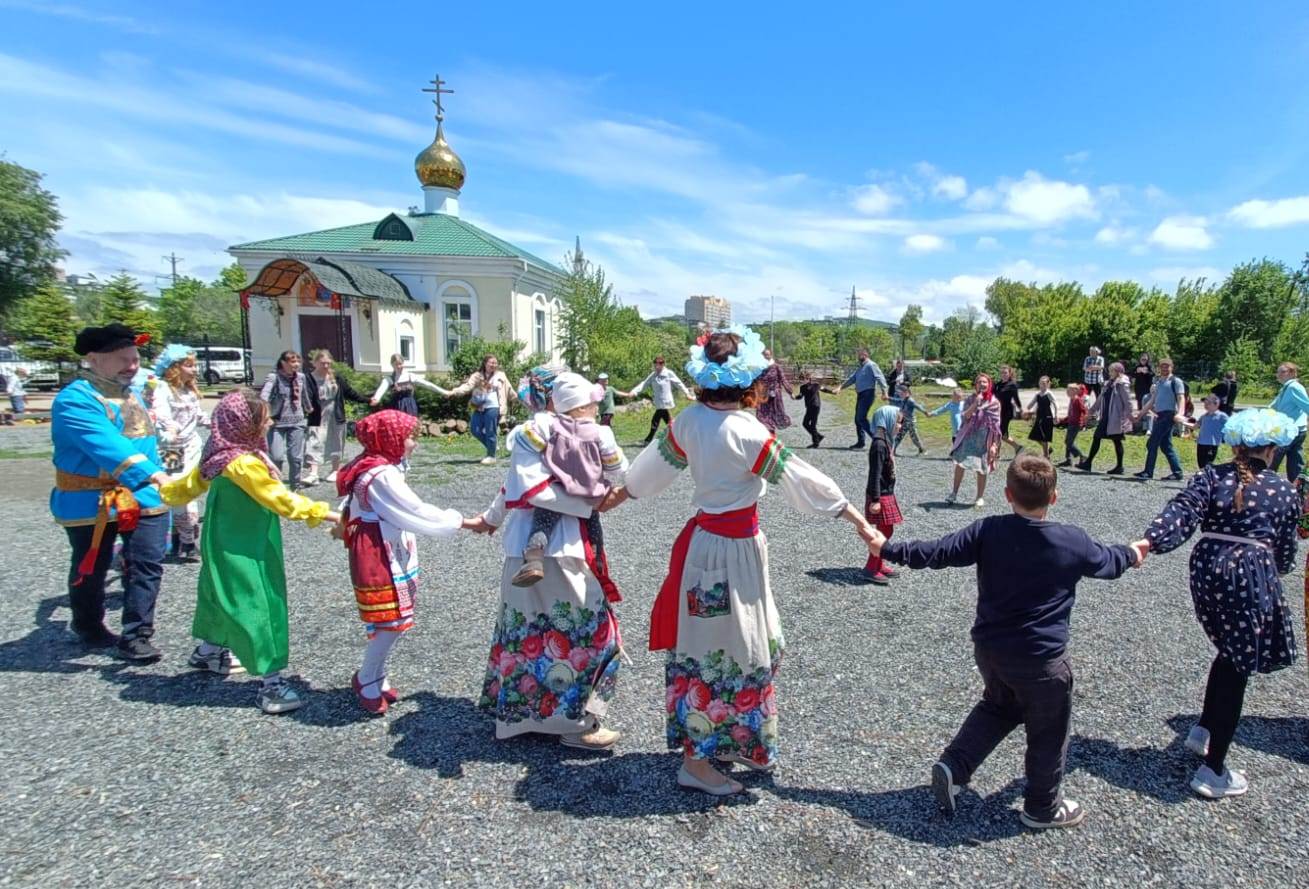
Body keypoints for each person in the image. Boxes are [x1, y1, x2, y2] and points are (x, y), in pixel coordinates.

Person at [613, 327, 877, 796]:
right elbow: (803, 479)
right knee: (738, 643)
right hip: (734, 550)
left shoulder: (689, 421)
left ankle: (728, 739)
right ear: (748, 379)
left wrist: (609, 500)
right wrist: (857, 520)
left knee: (712, 642)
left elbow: (645, 477)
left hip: (707, 548)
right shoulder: (748, 431)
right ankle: (696, 762)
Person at [869, 455, 1143, 829]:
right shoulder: (1072, 540)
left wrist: (887, 548)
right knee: (1049, 732)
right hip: (1043, 661)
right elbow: (1110, 563)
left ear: (1007, 494)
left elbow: (937, 552)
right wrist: (1133, 552)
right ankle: (1042, 809)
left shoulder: (989, 530)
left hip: (992, 651)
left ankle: (955, 765)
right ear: (1055, 497)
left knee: (1000, 705)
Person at [1132, 409, 1299, 798]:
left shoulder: (1212, 476)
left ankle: (1203, 729)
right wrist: (1278, 569)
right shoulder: (1284, 490)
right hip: (1250, 575)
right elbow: (1286, 552)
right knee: (1238, 665)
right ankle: (1213, 770)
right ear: (1272, 449)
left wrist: (1149, 542)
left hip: (1208, 573)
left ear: (1237, 445)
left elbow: (1181, 512)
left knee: (1228, 652)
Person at [466, 364, 627, 752]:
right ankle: (572, 723)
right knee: (581, 630)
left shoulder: (540, 432)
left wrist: (491, 519)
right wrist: (594, 502)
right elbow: (530, 488)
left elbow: (515, 484)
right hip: (560, 549)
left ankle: (528, 717)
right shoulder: (539, 431)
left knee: (532, 633)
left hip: (531, 546)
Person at [159, 388, 339, 712]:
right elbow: (279, 499)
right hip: (244, 546)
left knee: (219, 593)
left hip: (222, 540)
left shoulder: (220, 454)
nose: (269, 423)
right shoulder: (242, 464)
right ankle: (271, 684)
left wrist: (162, 490)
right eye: (263, 418)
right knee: (258, 603)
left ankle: (208, 650)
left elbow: (189, 486)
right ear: (243, 423)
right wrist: (326, 512)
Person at [336, 410, 469, 714]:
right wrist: (460, 521)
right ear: (389, 438)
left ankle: (376, 676)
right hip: (378, 551)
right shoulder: (380, 474)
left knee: (393, 619)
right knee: (391, 622)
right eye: (409, 437)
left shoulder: (376, 464)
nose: (414, 444)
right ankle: (366, 677)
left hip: (385, 546)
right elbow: (415, 509)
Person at [51, 323, 171, 660]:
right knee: (92, 564)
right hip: (91, 498)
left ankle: (137, 634)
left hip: (143, 492)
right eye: (123, 359)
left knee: (147, 563)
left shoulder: (130, 394)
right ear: (93, 359)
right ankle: (88, 626)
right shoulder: (74, 400)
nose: (132, 366)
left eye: (134, 359)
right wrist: (156, 475)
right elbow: (108, 445)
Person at [508, 372, 628, 588]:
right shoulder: (602, 433)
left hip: (558, 488)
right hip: (591, 496)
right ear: (581, 407)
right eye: (593, 404)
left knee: (542, 524)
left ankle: (534, 558)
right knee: (593, 527)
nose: (597, 408)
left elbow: (523, 440)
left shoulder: (550, 427)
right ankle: (597, 559)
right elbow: (616, 465)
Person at [151, 345, 208, 562]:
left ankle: (182, 538)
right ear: (174, 367)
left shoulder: (189, 390)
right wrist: (171, 429)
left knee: (189, 490)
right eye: (189, 365)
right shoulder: (163, 389)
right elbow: (161, 415)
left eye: (195, 365)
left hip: (192, 446)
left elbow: (199, 416)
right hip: (171, 448)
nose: (194, 370)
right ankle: (186, 540)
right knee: (177, 489)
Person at [302, 349, 370, 486]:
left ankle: (335, 470)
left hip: (336, 413)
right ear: (315, 363)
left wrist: (367, 400)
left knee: (336, 440)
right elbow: (305, 396)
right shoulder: (309, 378)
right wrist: (307, 407)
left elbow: (350, 393)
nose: (326, 366)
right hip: (318, 414)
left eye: (328, 363)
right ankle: (313, 473)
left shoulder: (336, 378)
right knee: (314, 440)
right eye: (322, 363)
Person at [437, 354, 515, 465]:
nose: (494, 365)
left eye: (495, 363)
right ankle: (491, 445)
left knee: (490, 432)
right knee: (475, 430)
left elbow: (509, 389)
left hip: (493, 407)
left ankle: (491, 456)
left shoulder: (501, 375)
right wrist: (454, 391)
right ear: (485, 363)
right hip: (479, 407)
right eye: (491, 362)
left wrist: (519, 397)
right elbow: (467, 387)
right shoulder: (477, 376)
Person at [260, 350, 318, 491]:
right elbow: (264, 396)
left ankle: (294, 487)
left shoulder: (301, 377)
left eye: (298, 361)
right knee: (277, 456)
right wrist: (264, 414)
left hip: (297, 421)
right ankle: (276, 486)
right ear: (283, 363)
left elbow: (304, 396)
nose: (296, 364)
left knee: (295, 457)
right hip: (277, 422)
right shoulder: (274, 377)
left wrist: (309, 408)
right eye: (292, 362)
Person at [947, 375, 1001, 508]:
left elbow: (996, 425)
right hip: (969, 436)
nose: (982, 384)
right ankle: (954, 493)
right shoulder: (970, 399)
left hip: (984, 439)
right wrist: (976, 403)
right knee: (960, 464)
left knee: (982, 468)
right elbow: (965, 416)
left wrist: (994, 445)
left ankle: (979, 497)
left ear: (989, 384)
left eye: (984, 382)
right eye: (979, 382)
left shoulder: (995, 402)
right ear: (975, 385)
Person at [863, 406, 903, 585]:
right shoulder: (879, 444)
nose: (900, 426)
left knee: (886, 529)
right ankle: (871, 567)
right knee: (883, 530)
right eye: (898, 422)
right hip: (881, 494)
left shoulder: (886, 440)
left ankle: (879, 562)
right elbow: (875, 473)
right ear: (888, 420)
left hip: (887, 492)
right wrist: (876, 500)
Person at [1077, 363, 1134, 474]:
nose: (1110, 372)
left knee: (1117, 441)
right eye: (1109, 370)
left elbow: (1128, 401)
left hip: (1115, 418)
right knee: (1097, 437)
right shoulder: (1108, 384)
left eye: (1112, 370)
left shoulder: (1122, 384)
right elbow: (1100, 399)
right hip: (1105, 417)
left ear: (1118, 372)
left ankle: (1119, 467)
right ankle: (1088, 463)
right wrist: (1091, 411)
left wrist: (1130, 415)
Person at [1135, 357, 1185, 481]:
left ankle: (1148, 472)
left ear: (1171, 367)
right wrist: (1140, 415)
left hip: (1168, 415)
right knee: (1166, 446)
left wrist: (1180, 413)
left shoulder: (1176, 381)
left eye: (1167, 366)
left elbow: (1181, 398)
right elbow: (1152, 401)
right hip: (1159, 415)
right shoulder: (1158, 382)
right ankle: (1177, 473)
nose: (1164, 369)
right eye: (1162, 366)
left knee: (1152, 443)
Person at [628, 356, 693, 446]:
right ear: (654, 364)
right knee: (669, 423)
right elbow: (644, 384)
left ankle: (648, 440)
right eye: (656, 364)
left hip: (666, 402)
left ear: (663, 364)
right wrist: (634, 392)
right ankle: (681, 438)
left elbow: (679, 383)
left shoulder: (668, 373)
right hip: (659, 403)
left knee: (656, 420)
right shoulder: (653, 375)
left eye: (660, 364)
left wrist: (687, 393)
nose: (658, 366)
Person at [837, 348, 889, 449]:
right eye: (858, 354)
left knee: (861, 418)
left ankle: (878, 440)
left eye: (860, 354)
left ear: (865, 355)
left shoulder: (871, 365)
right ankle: (861, 442)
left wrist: (884, 392)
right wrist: (840, 387)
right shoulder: (860, 368)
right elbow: (852, 379)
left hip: (868, 394)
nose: (858, 356)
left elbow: (880, 377)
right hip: (861, 395)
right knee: (857, 419)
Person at [1269, 363, 1309, 481]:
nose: (1278, 375)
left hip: (1291, 431)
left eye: (1282, 372)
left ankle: (1265, 486)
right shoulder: (1286, 388)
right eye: (1278, 372)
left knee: (1272, 459)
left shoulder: (1294, 387)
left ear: (1292, 373)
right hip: (1295, 430)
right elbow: (1274, 406)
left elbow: (1307, 405)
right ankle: (1298, 490)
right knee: (1295, 462)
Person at [370, 353, 443, 417]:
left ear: (403, 363)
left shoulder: (410, 376)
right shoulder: (389, 379)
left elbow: (428, 385)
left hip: (410, 406)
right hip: (396, 408)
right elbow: (381, 389)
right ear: (392, 365)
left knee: (411, 429)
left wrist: (445, 392)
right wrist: (376, 399)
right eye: (396, 364)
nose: (399, 366)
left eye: (400, 363)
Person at [754, 348, 794, 432]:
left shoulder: (776, 367)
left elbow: (783, 379)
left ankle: (771, 435)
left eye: (768, 354)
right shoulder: (759, 368)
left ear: (771, 355)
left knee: (775, 415)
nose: (766, 356)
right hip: (763, 395)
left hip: (775, 395)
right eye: (765, 355)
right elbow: (755, 380)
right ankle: (766, 436)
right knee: (762, 416)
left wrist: (790, 392)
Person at [1024, 376, 1057, 460]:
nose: (1042, 385)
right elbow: (1031, 405)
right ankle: (1048, 450)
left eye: (1044, 383)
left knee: (1044, 437)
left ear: (1048, 384)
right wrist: (1026, 410)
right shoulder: (1037, 394)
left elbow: (1055, 405)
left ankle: (1046, 456)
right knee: (1035, 436)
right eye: (1041, 383)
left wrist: (1055, 416)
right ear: (1038, 383)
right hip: (1039, 417)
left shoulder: (1049, 393)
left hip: (1047, 417)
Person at [1192, 395, 1229, 469]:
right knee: (1201, 464)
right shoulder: (1204, 416)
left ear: (1216, 404)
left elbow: (1231, 426)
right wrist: (1182, 421)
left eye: (1208, 404)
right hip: (1201, 443)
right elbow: (1195, 426)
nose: (1206, 405)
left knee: (1208, 464)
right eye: (1205, 404)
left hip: (1212, 444)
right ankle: (1203, 478)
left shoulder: (1222, 416)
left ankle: (1209, 478)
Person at [1055, 384, 1088, 468]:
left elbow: (1084, 411)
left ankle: (1082, 456)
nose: (1067, 392)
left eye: (1069, 390)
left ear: (1075, 391)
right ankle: (1068, 460)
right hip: (1071, 423)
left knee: (1068, 442)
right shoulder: (1071, 400)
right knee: (1068, 441)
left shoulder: (1078, 400)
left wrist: (1083, 422)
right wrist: (1062, 420)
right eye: (1067, 390)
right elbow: (1070, 414)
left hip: (1076, 424)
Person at [994, 366, 1024, 458]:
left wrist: (1020, 408)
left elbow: (1016, 398)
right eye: (1002, 373)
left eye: (1005, 372)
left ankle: (998, 453)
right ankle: (1017, 447)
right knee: (999, 433)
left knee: (1000, 433)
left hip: (1006, 412)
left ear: (1009, 374)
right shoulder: (998, 384)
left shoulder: (1012, 385)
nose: (1004, 374)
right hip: (997, 411)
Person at [893, 384, 929, 456]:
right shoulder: (904, 399)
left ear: (906, 393)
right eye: (899, 393)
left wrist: (925, 412)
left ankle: (921, 449)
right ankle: (892, 450)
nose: (900, 395)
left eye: (901, 393)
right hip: (905, 421)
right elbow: (898, 402)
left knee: (914, 436)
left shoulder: (910, 400)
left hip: (911, 422)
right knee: (899, 435)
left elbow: (918, 406)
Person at [793, 372, 825, 448]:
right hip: (809, 407)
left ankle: (816, 443)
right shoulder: (802, 387)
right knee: (805, 423)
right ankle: (818, 436)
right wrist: (794, 397)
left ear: (808, 379)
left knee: (813, 425)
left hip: (816, 406)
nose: (802, 381)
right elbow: (800, 396)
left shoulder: (816, 385)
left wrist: (832, 392)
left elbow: (824, 389)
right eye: (801, 380)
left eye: (803, 379)